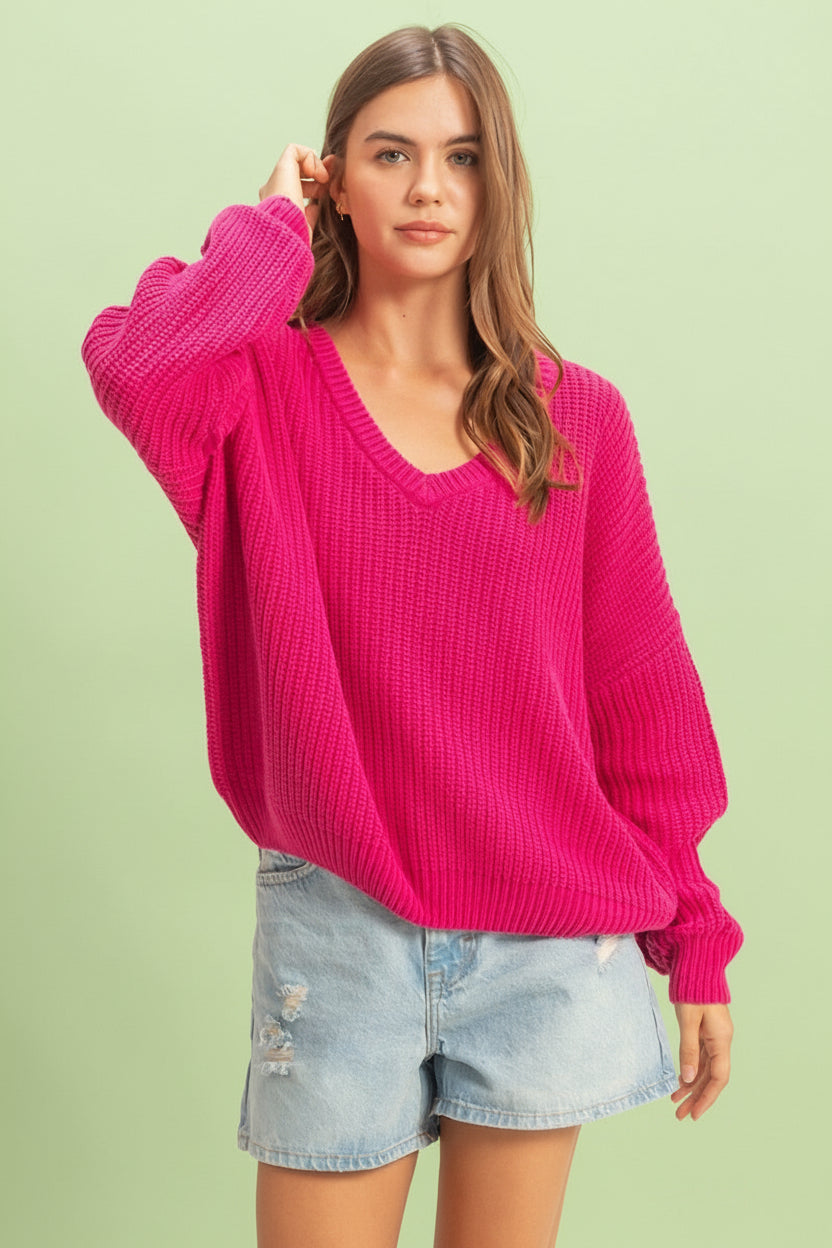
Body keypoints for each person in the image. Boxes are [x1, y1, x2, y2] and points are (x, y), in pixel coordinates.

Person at [80, 21, 743, 1248]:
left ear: (498, 185)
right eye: (391, 154)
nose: (430, 187)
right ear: (335, 177)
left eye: (463, 156)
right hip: (340, 928)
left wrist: (694, 935)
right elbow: (132, 366)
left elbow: (635, 692)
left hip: (548, 938)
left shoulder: (576, 421)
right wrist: (267, 230)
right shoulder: (255, 397)